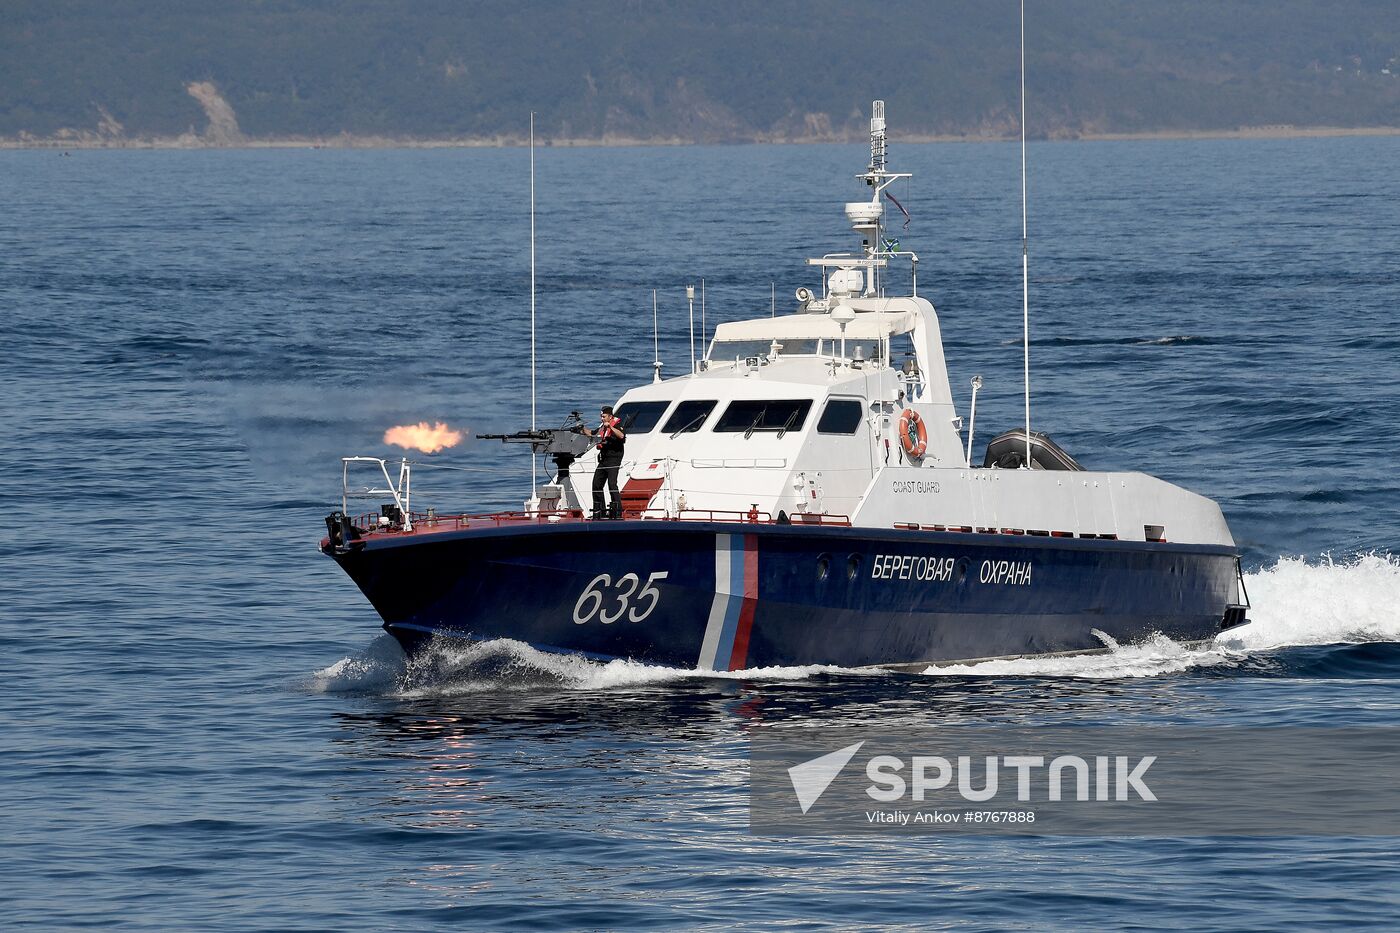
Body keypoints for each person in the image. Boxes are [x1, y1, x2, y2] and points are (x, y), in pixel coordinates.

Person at [587, 405, 626, 519]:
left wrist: (611, 427)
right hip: (603, 459)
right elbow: (593, 433)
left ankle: (617, 511)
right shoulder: (602, 428)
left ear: (610, 416)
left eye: (604, 416)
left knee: (612, 484)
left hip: (614, 458)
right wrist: (582, 429)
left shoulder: (617, 425)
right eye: (601, 416)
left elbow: (622, 436)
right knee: (596, 484)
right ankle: (600, 510)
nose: (602, 419)